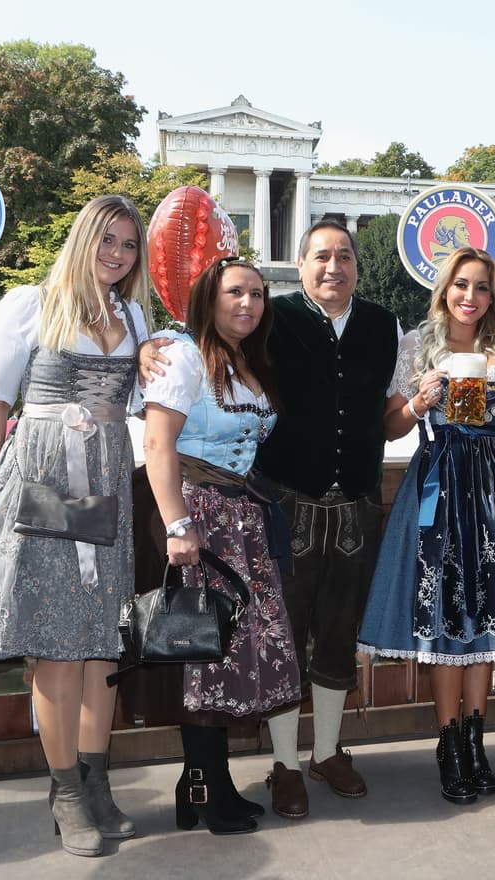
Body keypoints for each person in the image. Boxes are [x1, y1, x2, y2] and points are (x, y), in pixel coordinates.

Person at [141, 218, 398, 819]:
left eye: (344, 256)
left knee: (336, 634)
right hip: (279, 506)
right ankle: (283, 765)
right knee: (272, 637)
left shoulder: (386, 325)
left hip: (352, 502)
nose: (333, 267)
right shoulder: (270, 319)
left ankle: (327, 752)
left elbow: (392, 402)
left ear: (357, 265)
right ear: (301, 265)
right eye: (320, 256)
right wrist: (148, 347)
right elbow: (189, 344)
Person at [0, 194, 152, 857]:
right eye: (108, 239)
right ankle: (65, 790)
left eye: (130, 245)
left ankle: (97, 782)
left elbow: (143, 401)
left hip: (105, 476)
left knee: (103, 640)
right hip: (45, 474)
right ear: (83, 239)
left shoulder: (133, 315)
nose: (118, 254)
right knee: (56, 641)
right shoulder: (28, 304)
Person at [358, 247, 495, 805]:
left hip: (493, 491)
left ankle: (476, 742)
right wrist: (421, 401)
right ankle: (449, 744)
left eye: (481, 287)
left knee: (486, 617)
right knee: (444, 621)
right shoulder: (416, 346)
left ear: (492, 295)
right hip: (439, 488)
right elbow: (389, 427)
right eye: (461, 285)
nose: (470, 296)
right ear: (444, 290)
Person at [141, 257, 301, 834]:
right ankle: (209, 790)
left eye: (258, 295)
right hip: (200, 518)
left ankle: (200, 785)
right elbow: (158, 444)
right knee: (200, 656)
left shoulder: (245, 360)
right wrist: (179, 529)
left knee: (220, 654)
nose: (248, 304)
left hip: (242, 520)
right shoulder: (182, 354)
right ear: (208, 298)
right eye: (235, 292)